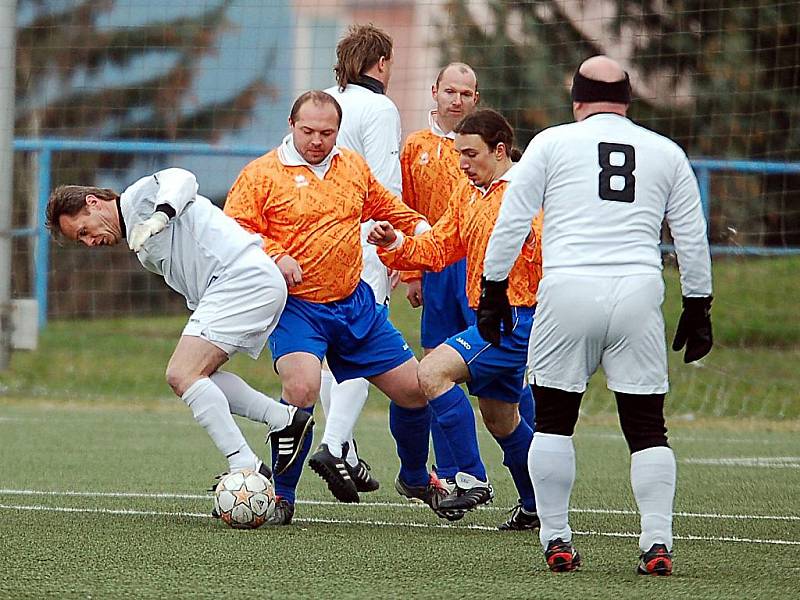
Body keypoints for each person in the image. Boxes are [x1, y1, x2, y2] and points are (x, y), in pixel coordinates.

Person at [480, 56, 713, 575]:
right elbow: (691, 236)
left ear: (576, 100)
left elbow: (512, 218)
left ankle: (556, 538)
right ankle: (656, 542)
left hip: (567, 291)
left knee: (555, 423)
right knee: (649, 426)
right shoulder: (665, 151)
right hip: (637, 293)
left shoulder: (551, 143)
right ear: (628, 101)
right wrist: (699, 305)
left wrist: (493, 289)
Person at [224, 90, 488, 523]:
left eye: (326, 133)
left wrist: (418, 230)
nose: (316, 140)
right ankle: (282, 496)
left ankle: (417, 477)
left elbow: (390, 208)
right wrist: (276, 254)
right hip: (298, 309)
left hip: (354, 305)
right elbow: (235, 229)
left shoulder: (351, 167)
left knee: (416, 390)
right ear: (291, 126)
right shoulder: (261, 174)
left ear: (337, 132)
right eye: (307, 131)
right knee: (303, 388)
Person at [44, 169, 315, 493]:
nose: (89, 242)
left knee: (181, 373)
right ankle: (286, 420)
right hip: (238, 284)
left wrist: (161, 215)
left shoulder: (137, 198)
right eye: (82, 240)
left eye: (84, 231)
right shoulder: (140, 246)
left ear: (94, 202)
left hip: (242, 278)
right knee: (199, 377)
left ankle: (245, 464)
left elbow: (183, 179)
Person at [369, 109, 541, 526]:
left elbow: (547, 254)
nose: (461, 163)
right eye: (458, 153)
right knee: (502, 418)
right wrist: (396, 243)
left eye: (470, 153)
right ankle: (538, 506)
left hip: (516, 319)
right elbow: (439, 248)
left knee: (431, 373)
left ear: (500, 151)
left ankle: (468, 478)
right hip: (494, 319)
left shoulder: (526, 194)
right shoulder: (470, 195)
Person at [399, 62, 512, 484]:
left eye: (466, 93)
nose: (457, 99)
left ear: (475, 99)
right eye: (450, 91)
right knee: (435, 363)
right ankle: (450, 474)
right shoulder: (415, 146)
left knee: (498, 371)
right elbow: (408, 209)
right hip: (438, 264)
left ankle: (524, 469)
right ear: (434, 91)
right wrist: (412, 271)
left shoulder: (488, 143)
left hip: (484, 266)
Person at [310, 23, 403, 495]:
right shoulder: (380, 107)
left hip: (313, 241)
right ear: (381, 63)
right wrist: (396, 249)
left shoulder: (319, 102)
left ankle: (343, 448)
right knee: (362, 347)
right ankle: (333, 442)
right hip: (362, 241)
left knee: (329, 353)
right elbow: (385, 185)